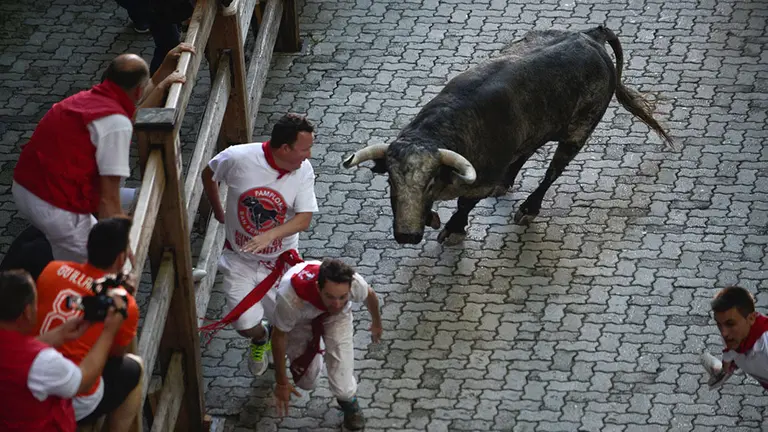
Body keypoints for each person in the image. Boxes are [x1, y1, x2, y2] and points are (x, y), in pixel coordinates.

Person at [11, 44, 193, 263]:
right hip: (55, 202)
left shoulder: (88, 99)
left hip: (26, 187)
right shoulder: (115, 123)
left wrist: (162, 73)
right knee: (103, 262)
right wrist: (122, 245)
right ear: (137, 90)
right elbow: (109, 199)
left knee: (78, 254)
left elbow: (132, 112)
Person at [200, 113, 318, 375]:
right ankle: (260, 338)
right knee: (243, 322)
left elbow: (303, 219)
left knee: (286, 319)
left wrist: (270, 235)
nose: (308, 155)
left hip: (280, 260)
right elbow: (208, 174)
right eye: (304, 148)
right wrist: (218, 211)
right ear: (285, 148)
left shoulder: (303, 171)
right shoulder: (237, 158)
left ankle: (277, 339)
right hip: (239, 258)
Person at [33, 216, 143, 429]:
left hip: (35, 377)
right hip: (74, 397)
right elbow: (116, 355)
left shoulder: (52, 269)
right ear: (121, 259)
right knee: (134, 368)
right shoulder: (124, 304)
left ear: (88, 246)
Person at [0, 269, 127, 432]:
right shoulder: (42, 362)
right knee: (130, 371)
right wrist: (109, 332)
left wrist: (59, 334)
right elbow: (83, 382)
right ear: (27, 312)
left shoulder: (16, 351)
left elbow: (13, 355)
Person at [271, 258, 382, 431]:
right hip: (300, 321)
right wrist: (282, 382)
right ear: (318, 287)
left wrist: (376, 323)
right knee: (306, 382)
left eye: (343, 297)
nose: (337, 304)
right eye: (330, 296)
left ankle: (350, 405)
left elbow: (370, 296)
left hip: (337, 319)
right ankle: (311, 346)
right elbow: (279, 336)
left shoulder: (355, 284)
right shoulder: (289, 297)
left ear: (349, 288)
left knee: (343, 387)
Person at [700, 285, 768, 390]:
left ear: (751, 318)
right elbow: (731, 354)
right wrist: (724, 368)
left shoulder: (764, 348)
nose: (724, 333)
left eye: (730, 324)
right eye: (719, 324)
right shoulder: (735, 337)